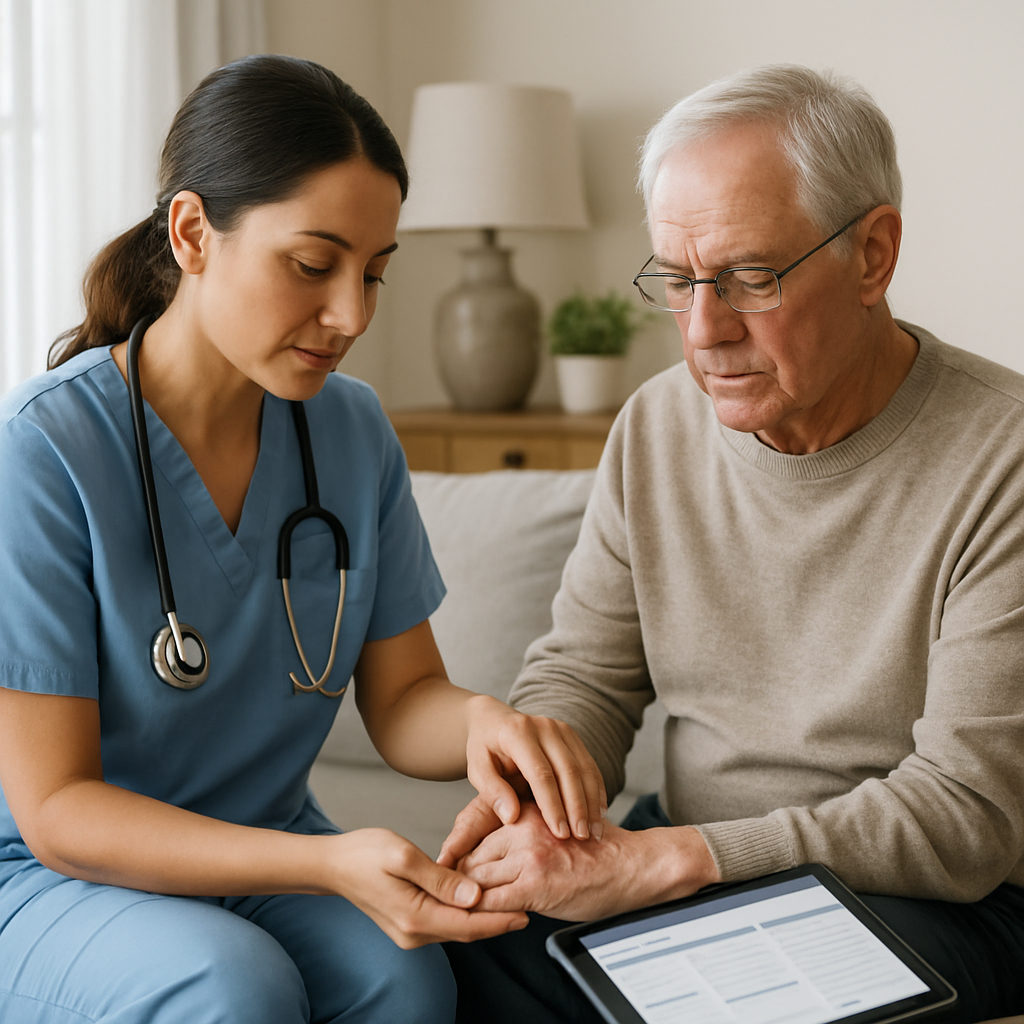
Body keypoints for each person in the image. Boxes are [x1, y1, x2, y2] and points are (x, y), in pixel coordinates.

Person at [0, 55, 605, 1024]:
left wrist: (486, 722)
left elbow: (403, 698)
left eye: (372, 273)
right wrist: (325, 861)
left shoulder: (350, 430)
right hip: (49, 876)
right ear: (192, 232)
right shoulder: (45, 450)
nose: (351, 315)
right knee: (231, 985)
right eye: (313, 264)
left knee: (404, 978)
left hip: (260, 845)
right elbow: (58, 807)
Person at [441, 65, 1024, 1023]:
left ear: (872, 255)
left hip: (927, 897)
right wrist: (535, 791)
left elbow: (966, 818)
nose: (703, 331)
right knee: (434, 956)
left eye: (750, 278)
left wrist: (677, 859)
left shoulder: (1000, 458)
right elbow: (586, 676)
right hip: (684, 858)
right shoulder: (655, 427)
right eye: (677, 281)